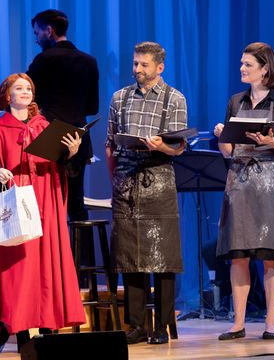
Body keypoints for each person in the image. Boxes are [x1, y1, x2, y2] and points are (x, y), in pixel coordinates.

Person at [0, 73, 86, 348]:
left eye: (29, 88)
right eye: (19, 88)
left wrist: (70, 153)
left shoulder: (44, 126)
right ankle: (24, 332)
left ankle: (50, 332)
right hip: (17, 202)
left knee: (47, 266)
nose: (25, 92)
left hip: (45, 201)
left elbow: (59, 165)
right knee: (21, 270)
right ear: (7, 96)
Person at [0, 9, 99, 223]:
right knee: (76, 208)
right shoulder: (90, 61)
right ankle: (79, 258)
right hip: (77, 141)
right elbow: (92, 108)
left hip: (47, 143)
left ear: (49, 31)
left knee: (45, 208)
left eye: (37, 34)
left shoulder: (45, 59)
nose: (36, 40)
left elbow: (17, 90)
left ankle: (47, 256)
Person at [213, 42, 274, 340]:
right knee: (238, 254)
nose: (241, 68)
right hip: (240, 180)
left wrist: (269, 142)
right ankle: (238, 323)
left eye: (247, 64)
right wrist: (220, 135)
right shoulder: (235, 101)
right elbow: (228, 152)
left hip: (272, 181)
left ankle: (270, 322)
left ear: (265, 68)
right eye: (241, 63)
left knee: (271, 255)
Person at [106, 42, 186, 345]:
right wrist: (113, 180)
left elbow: (178, 146)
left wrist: (160, 146)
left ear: (159, 67)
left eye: (144, 65)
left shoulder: (174, 98)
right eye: (135, 63)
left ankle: (163, 325)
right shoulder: (120, 97)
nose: (137, 69)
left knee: (162, 257)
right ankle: (136, 324)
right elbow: (110, 142)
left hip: (159, 175)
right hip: (126, 180)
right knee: (130, 256)